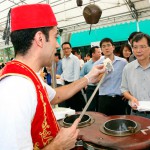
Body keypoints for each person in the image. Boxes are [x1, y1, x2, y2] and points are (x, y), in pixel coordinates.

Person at [0, 4, 105, 150]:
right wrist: (59, 145)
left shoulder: (27, 76)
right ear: (40, 39)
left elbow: (55, 96)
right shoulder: (15, 88)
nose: (57, 45)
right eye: (55, 37)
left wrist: (88, 78)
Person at [94, 38, 128, 116]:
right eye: (104, 46)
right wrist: (104, 71)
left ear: (113, 47)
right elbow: (95, 81)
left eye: (108, 45)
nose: (106, 48)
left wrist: (127, 92)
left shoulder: (123, 62)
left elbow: (129, 78)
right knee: (104, 123)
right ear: (101, 49)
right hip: (104, 98)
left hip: (119, 98)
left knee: (121, 123)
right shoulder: (97, 64)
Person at [121, 33, 150, 118]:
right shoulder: (128, 68)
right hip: (136, 114)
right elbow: (124, 89)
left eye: (142, 47)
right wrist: (131, 98)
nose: (138, 50)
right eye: (135, 47)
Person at [61, 42, 86, 111]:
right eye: (64, 49)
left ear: (71, 49)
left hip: (74, 84)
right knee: (70, 106)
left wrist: (74, 86)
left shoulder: (75, 59)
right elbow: (64, 72)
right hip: (66, 84)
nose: (66, 50)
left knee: (77, 106)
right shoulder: (63, 60)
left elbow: (76, 74)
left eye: (67, 48)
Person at [80, 46, 102, 111]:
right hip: (90, 88)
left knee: (100, 107)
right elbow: (81, 75)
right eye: (98, 52)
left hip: (100, 88)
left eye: (100, 52)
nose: (100, 53)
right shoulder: (87, 65)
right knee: (90, 107)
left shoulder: (103, 62)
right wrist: (85, 85)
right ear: (93, 54)